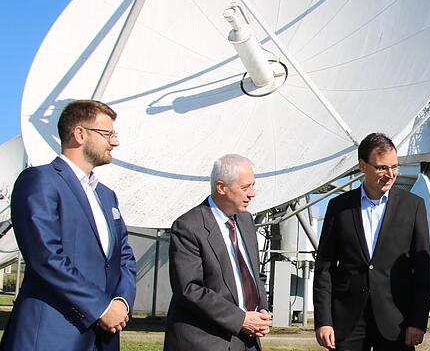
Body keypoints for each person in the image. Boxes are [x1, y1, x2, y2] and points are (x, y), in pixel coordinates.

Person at [1, 99, 137, 350]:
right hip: (52, 335)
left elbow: (125, 257)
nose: (114, 142)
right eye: (107, 134)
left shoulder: (107, 196)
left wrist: (121, 302)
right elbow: (46, 256)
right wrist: (101, 308)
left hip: (102, 338)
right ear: (79, 134)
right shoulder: (40, 181)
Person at [313, 133, 430, 351]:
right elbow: (324, 270)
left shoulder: (413, 207)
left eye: (394, 167)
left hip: (396, 322)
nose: (390, 174)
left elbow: (423, 271)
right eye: (381, 168)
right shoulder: (339, 207)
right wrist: (324, 320)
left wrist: (417, 321)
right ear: (362, 166)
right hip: (347, 322)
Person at [164, 154, 271, 351]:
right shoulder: (189, 227)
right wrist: (240, 319)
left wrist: (261, 310)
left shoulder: (246, 221)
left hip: (247, 341)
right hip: (206, 341)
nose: (252, 194)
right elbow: (189, 289)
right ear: (221, 187)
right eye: (245, 187)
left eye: (252, 186)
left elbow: (255, 274)